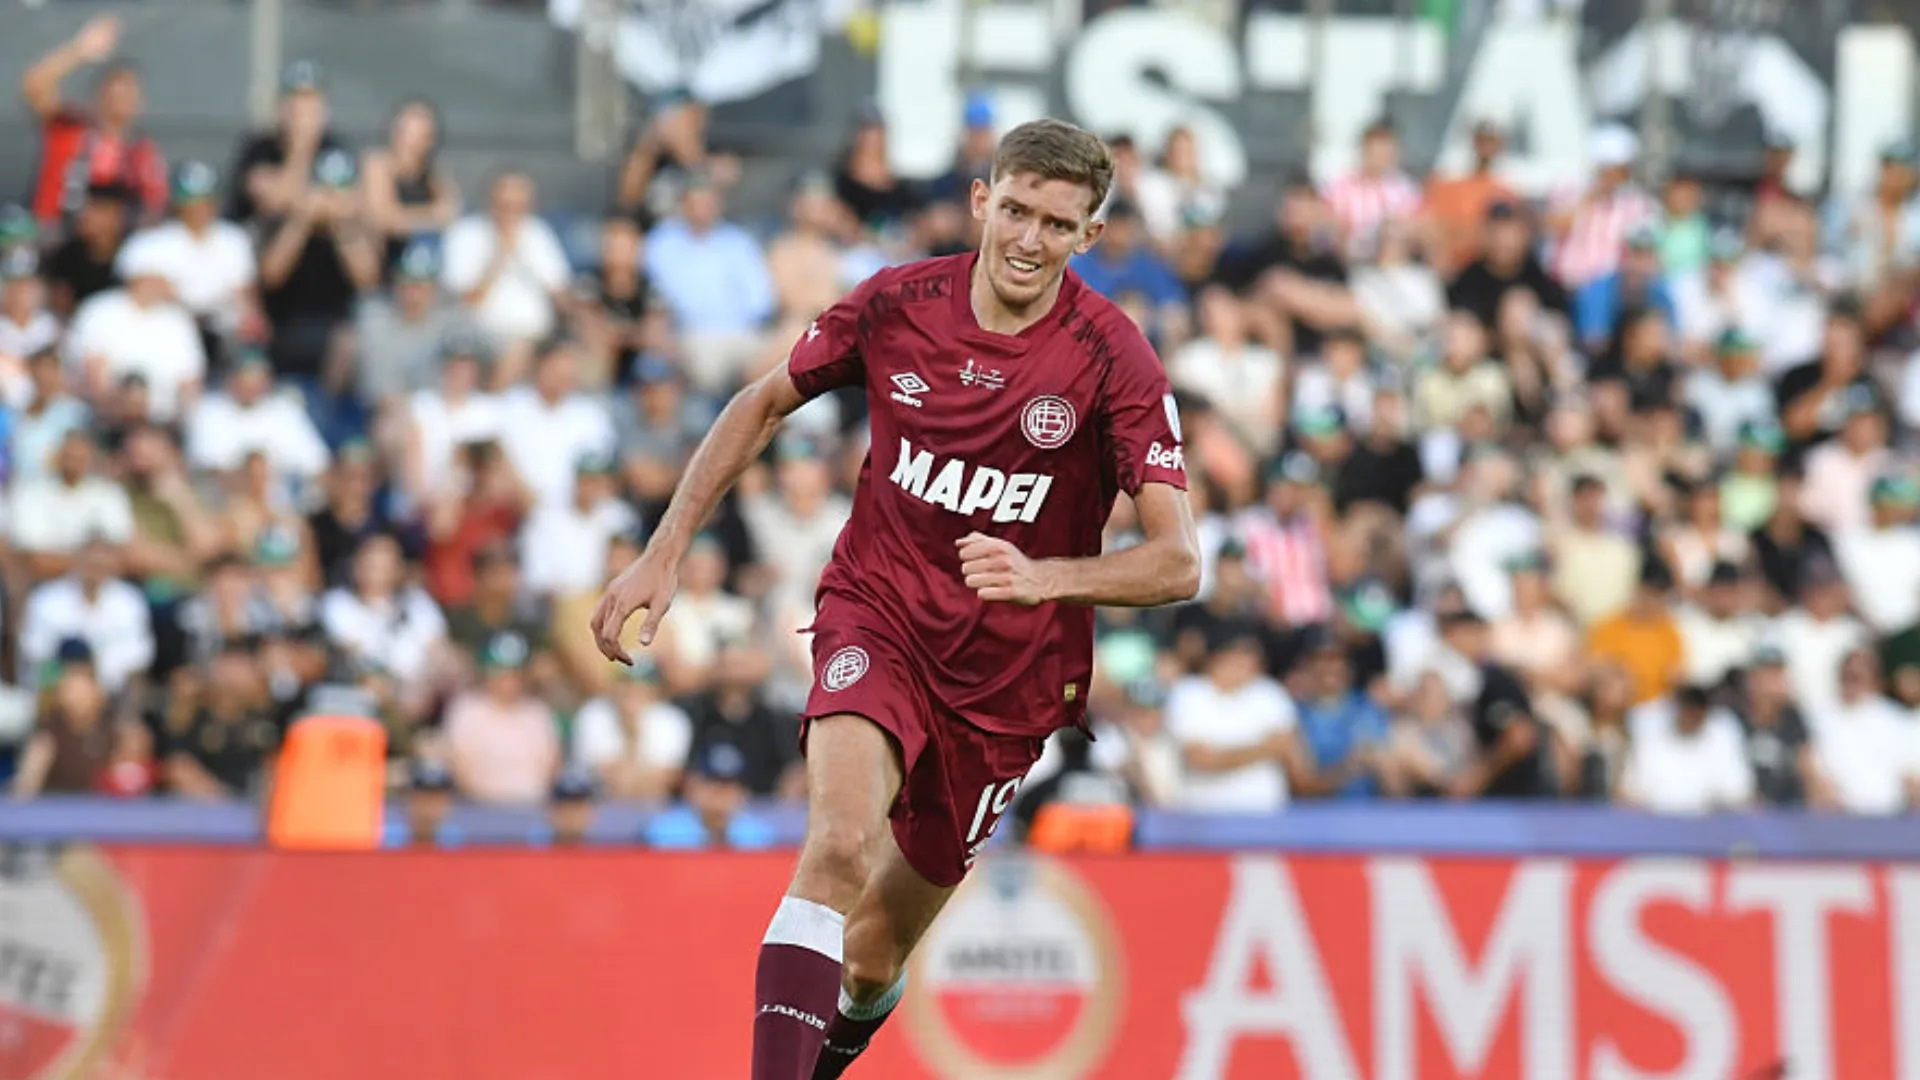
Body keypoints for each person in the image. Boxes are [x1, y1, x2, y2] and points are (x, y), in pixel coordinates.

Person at [588, 118, 1199, 1080]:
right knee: (835, 845)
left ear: (1088, 235)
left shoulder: (1112, 356)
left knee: (871, 959)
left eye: (1058, 223)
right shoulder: (898, 302)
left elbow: (1178, 563)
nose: (1030, 239)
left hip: (1006, 685)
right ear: (982, 202)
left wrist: (1049, 576)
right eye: (1017, 210)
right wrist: (662, 555)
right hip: (877, 616)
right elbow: (761, 401)